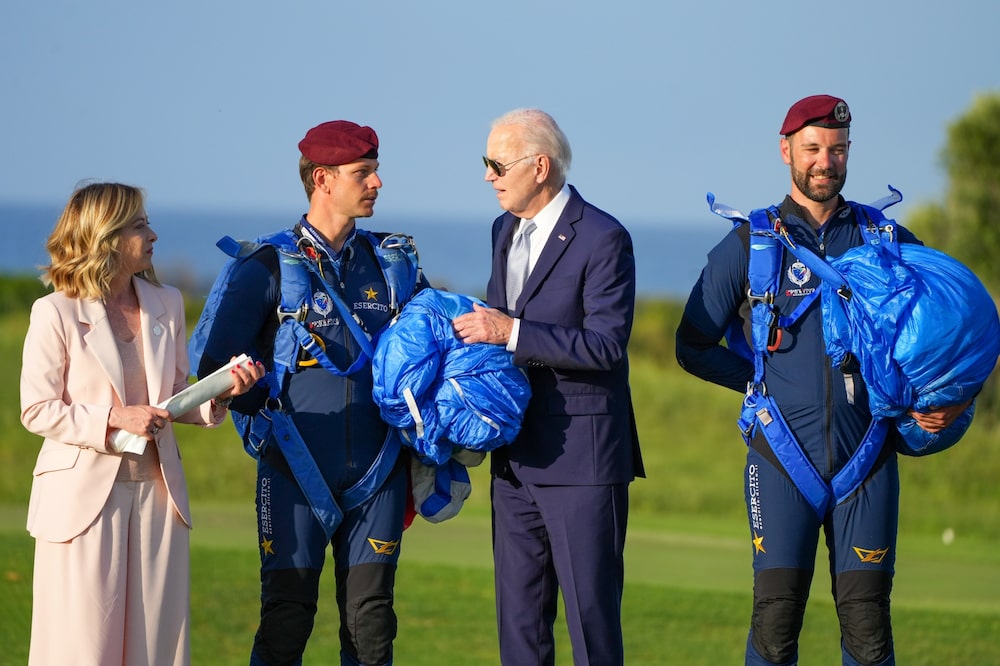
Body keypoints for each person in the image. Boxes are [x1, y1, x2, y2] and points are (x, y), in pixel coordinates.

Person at [675, 95, 969, 666]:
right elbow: (691, 346)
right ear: (786, 151)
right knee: (776, 622)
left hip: (869, 460)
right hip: (781, 458)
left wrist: (950, 403)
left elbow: (948, 340)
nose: (825, 162)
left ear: (848, 153)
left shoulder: (889, 242)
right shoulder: (748, 246)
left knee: (868, 628)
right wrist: (760, 382)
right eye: (812, 149)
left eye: (837, 150)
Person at [194, 120, 425, 666]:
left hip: (379, 472)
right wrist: (247, 393)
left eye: (374, 171)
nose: (377, 183)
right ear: (322, 179)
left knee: (371, 627)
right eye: (363, 173)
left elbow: (435, 352)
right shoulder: (265, 267)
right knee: (286, 620)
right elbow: (211, 368)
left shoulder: (394, 265)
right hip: (293, 469)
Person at [19, 182, 263, 666]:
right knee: (81, 648)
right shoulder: (53, 312)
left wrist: (221, 395)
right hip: (80, 503)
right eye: (139, 224)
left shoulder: (166, 302)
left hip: (158, 496)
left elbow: (172, 399)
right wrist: (112, 417)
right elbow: (37, 409)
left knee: (157, 647)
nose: (153, 234)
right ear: (105, 235)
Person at [453, 108, 644, 666]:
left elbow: (606, 346)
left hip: (582, 463)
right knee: (520, 631)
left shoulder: (605, 237)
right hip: (512, 461)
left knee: (592, 628)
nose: (489, 175)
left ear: (540, 166)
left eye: (497, 163)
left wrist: (509, 331)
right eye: (485, 163)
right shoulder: (502, 229)